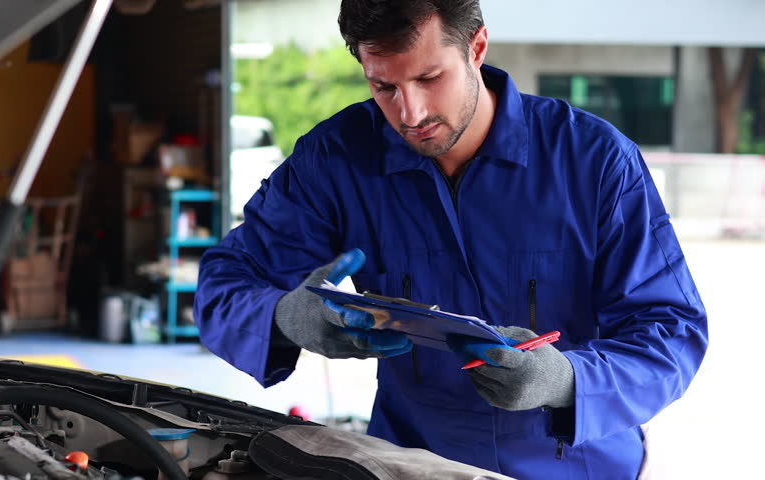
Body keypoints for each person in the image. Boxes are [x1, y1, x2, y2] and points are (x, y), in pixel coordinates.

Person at [194, 0, 708, 478]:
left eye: (429, 77)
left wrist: (567, 380)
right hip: (412, 463)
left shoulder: (594, 162)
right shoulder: (335, 160)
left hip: (575, 465)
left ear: (477, 48)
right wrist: (287, 316)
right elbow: (223, 287)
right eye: (384, 87)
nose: (410, 114)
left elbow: (671, 330)